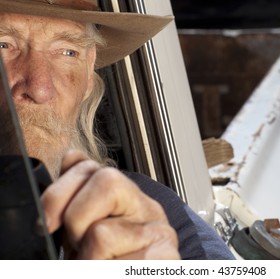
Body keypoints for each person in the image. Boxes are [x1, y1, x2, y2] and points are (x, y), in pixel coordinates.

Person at [0, 0, 235, 260]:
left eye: (68, 52)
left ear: (89, 73)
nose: (39, 89)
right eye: (3, 45)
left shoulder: (150, 217)